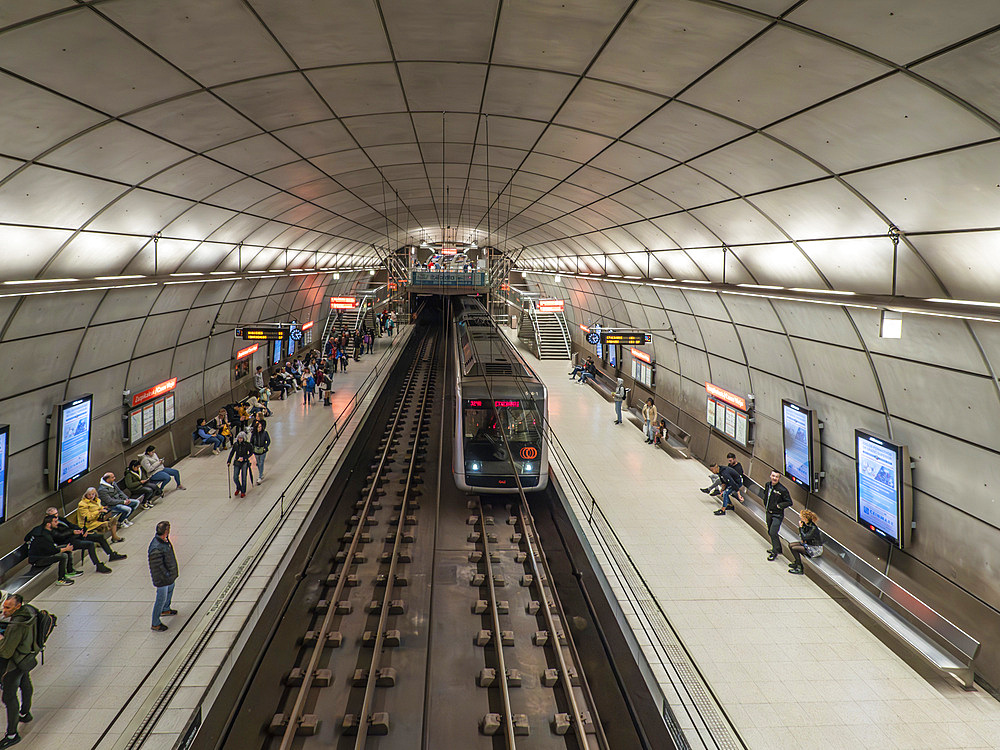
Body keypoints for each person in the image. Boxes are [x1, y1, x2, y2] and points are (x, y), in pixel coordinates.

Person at [0, 593, 39, 747]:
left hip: (14, 664)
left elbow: (6, 652)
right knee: (24, 681)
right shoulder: (29, 611)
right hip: (26, 657)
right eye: (4, 606)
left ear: (17, 606)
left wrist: (2, 639)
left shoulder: (16, 626)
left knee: (9, 697)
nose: (5, 610)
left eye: (8, 607)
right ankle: (25, 713)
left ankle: (12, 734)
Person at [45, 506, 124, 571]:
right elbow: (59, 536)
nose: (56, 516)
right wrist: (72, 532)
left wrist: (81, 530)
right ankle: (98, 565)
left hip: (76, 536)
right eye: (53, 515)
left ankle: (111, 554)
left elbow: (71, 525)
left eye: (56, 514)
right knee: (90, 544)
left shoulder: (60, 519)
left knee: (99, 537)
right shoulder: (49, 526)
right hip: (68, 541)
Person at [25, 514, 80, 585]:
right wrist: (66, 549)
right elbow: (52, 551)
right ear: (48, 524)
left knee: (66, 550)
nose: (57, 523)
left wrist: (72, 532)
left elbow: (26, 538)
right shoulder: (44, 537)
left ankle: (70, 571)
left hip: (42, 554)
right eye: (55, 522)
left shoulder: (38, 529)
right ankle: (61, 579)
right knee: (63, 556)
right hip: (38, 560)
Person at [148, 521, 179, 632]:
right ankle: (155, 623)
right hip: (162, 578)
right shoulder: (156, 547)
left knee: (171, 587)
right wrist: (167, 575)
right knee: (160, 599)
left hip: (168, 576)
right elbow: (157, 567)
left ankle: (166, 609)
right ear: (166, 530)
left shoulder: (164, 540)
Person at [763, 470, 793, 561]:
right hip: (769, 512)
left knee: (773, 532)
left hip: (777, 514)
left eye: (776, 477)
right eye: (773, 476)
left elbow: (789, 502)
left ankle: (775, 552)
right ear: (770, 476)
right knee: (770, 531)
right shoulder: (767, 485)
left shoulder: (782, 490)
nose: (774, 478)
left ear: (779, 478)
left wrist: (779, 506)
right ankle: (777, 548)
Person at [788, 510, 823, 574]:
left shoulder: (813, 528)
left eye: (801, 517)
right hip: (807, 544)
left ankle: (800, 568)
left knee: (794, 548)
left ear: (805, 518)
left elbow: (805, 537)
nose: (800, 518)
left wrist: (801, 528)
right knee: (790, 545)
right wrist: (803, 527)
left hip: (814, 549)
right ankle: (797, 562)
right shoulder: (806, 524)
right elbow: (803, 537)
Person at [228, 431, 253, 498]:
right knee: (235, 477)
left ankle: (243, 491)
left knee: (244, 477)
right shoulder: (236, 444)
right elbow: (232, 452)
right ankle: (239, 487)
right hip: (237, 462)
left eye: (241, 438)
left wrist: (244, 458)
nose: (240, 439)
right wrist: (229, 460)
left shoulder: (247, 445)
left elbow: (251, 452)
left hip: (244, 462)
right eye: (239, 438)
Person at [250, 420, 271, 485]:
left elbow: (268, 440)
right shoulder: (254, 434)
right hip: (256, 450)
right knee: (258, 462)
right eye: (258, 427)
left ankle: (260, 475)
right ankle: (260, 472)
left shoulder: (265, 433)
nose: (260, 428)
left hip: (263, 450)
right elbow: (251, 441)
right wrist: (253, 448)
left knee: (261, 462)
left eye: (260, 427)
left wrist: (265, 447)